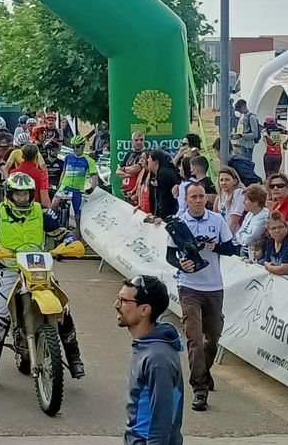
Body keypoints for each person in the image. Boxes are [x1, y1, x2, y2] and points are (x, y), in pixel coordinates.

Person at [0, 172, 86, 388]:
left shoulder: (41, 212)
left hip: (39, 268)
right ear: (10, 194)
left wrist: (70, 241)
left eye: (26, 194)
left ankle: (74, 357)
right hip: (10, 269)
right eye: (18, 194)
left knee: (63, 308)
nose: (23, 199)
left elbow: (61, 232)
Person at [165, 183, 238, 411]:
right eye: (193, 197)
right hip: (188, 286)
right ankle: (199, 389)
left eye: (201, 196)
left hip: (214, 286)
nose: (198, 200)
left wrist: (213, 246)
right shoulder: (179, 224)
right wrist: (181, 264)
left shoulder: (217, 220)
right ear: (186, 200)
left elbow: (231, 249)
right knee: (194, 337)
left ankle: (204, 371)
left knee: (212, 336)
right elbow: (169, 255)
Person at [116, 275, 184, 445]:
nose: (116, 306)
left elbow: (163, 420)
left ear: (145, 310)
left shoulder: (158, 359)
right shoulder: (146, 346)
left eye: (123, 301)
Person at [258, 211, 288, 277]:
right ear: (268, 230)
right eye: (273, 228)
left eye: (280, 227)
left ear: (286, 226)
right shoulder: (270, 241)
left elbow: (285, 270)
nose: (277, 231)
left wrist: (269, 267)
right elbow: (267, 260)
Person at [235, 183, 270, 260]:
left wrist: (241, 237)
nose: (243, 202)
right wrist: (242, 237)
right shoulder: (249, 214)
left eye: (246, 200)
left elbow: (253, 237)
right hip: (244, 249)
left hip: (255, 254)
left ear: (255, 202)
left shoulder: (264, 215)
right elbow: (238, 232)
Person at [10, 143, 50, 207]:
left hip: (16, 210)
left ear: (22, 156)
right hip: (35, 210)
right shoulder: (42, 175)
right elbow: (45, 200)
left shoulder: (12, 174)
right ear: (36, 157)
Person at [146, 150, 181, 222]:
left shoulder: (164, 174)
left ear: (155, 162)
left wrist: (162, 218)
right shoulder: (163, 172)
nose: (147, 160)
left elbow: (166, 198)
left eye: (149, 158)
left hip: (171, 214)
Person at [116, 132, 148, 199]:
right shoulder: (129, 154)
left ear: (144, 141)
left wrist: (124, 169)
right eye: (136, 140)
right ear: (132, 141)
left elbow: (136, 169)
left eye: (141, 140)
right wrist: (130, 175)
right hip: (126, 191)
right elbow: (117, 172)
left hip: (138, 192)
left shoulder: (146, 154)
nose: (139, 142)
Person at [215, 167, 244, 234]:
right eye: (221, 180)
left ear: (235, 181)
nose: (223, 183)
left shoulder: (238, 193)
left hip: (234, 236)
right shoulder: (222, 194)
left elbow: (234, 221)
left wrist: (226, 239)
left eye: (227, 180)